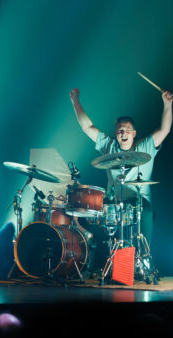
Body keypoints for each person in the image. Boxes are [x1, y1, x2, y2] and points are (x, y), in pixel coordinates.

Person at [70, 87, 172, 244]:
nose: (123, 133)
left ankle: (143, 257)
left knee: (144, 226)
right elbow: (87, 127)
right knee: (86, 217)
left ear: (134, 133)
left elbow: (164, 129)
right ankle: (101, 252)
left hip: (140, 204)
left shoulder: (145, 146)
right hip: (114, 203)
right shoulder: (109, 146)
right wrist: (75, 100)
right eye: (119, 130)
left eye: (127, 130)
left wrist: (167, 104)